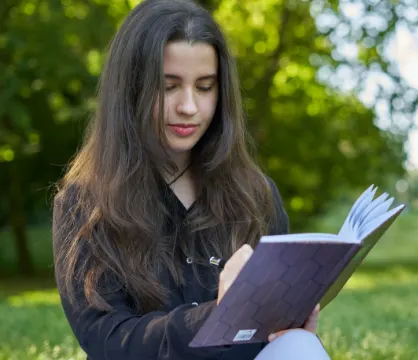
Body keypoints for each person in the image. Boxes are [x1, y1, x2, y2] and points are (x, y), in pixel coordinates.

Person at [50, 0, 331, 359]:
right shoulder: (85, 202)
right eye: (168, 86)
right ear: (130, 89)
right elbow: (107, 341)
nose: (189, 107)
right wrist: (214, 317)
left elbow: (265, 335)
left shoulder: (257, 195)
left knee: (300, 346)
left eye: (204, 87)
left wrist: (288, 323)